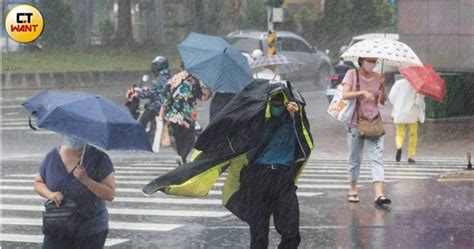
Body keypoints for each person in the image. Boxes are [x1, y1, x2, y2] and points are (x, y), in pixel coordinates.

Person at [142, 80, 313, 249]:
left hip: (283, 180)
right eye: (273, 101)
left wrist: (296, 116)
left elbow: (305, 139)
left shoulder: (294, 120)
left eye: (280, 102)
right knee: (258, 232)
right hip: (257, 177)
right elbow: (233, 129)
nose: (276, 105)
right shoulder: (257, 119)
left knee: (291, 232)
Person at [33, 135, 115, 249]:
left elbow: (110, 194)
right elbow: (38, 182)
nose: (74, 136)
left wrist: (86, 180)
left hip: (90, 230)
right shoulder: (52, 156)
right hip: (57, 226)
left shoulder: (99, 158)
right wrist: (51, 194)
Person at [342, 57, 391, 205]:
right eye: (370, 60)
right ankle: (353, 188)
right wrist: (362, 92)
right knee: (355, 157)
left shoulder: (377, 77)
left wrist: (382, 86)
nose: (372, 63)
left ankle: (379, 194)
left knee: (377, 157)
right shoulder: (352, 74)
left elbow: (382, 101)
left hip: (374, 121)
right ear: (361, 61)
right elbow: (345, 95)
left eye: (375, 61)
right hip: (355, 123)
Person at [160, 64, 208, 165]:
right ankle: (182, 156)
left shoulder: (174, 78)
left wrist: (162, 111)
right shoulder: (195, 80)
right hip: (188, 114)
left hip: (174, 113)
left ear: (181, 67)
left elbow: (166, 96)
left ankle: (181, 157)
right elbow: (203, 97)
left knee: (179, 137)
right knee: (190, 138)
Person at [135, 56, 172, 143]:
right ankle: (152, 132)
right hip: (166, 103)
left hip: (157, 105)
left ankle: (139, 138)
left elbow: (151, 93)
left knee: (143, 120)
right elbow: (158, 89)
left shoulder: (158, 79)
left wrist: (138, 94)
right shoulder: (169, 76)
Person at [389, 78, 425, 163]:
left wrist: (398, 104)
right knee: (413, 134)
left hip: (400, 112)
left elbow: (391, 97)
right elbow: (418, 101)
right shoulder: (417, 84)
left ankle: (399, 147)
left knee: (399, 133)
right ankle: (411, 156)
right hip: (412, 113)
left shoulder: (398, 83)